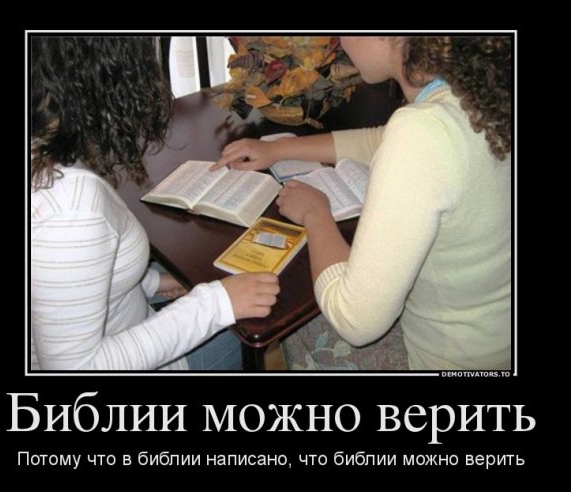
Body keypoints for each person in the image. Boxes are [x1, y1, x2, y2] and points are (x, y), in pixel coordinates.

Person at [211, 36, 511, 370]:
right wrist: (277, 149)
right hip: (497, 338)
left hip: (446, 360)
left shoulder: (422, 132)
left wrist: (315, 213)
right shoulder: (477, 92)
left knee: (291, 318)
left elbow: (354, 321)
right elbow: (377, 140)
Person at [31, 37, 280, 371]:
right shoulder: (69, 208)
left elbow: (68, 284)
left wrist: (152, 283)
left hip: (123, 312)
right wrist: (217, 304)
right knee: (266, 326)